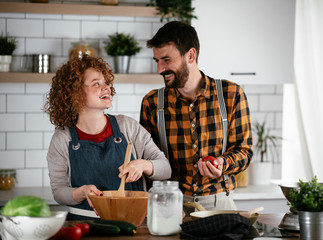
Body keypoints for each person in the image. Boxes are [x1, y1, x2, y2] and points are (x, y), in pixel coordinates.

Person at [140, 21, 253, 214]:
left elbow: (244, 151)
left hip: (220, 204)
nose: (159, 69)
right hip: (172, 205)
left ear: (190, 55)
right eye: (157, 61)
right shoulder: (152, 103)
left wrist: (222, 163)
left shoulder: (231, 94)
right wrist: (162, 202)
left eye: (166, 60)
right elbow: (147, 160)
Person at [45, 55, 171, 220]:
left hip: (133, 221)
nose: (106, 88)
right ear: (75, 92)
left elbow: (165, 168)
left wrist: (144, 165)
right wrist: (81, 192)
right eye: (97, 83)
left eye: (106, 83)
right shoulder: (62, 138)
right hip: (85, 224)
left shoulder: (128, 127)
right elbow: (59, 192)